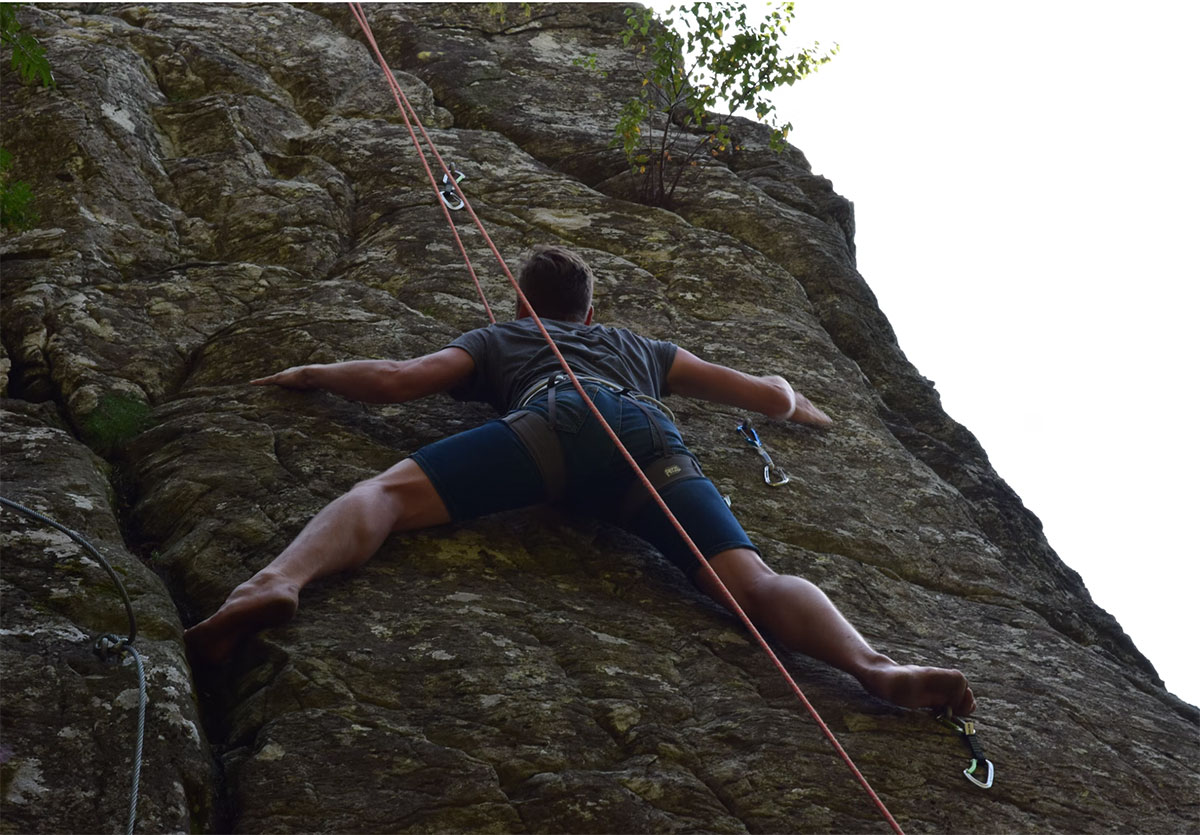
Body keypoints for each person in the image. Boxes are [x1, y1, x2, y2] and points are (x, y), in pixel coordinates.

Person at [185, 245, 975, 716]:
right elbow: (766, 394)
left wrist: (308, 369)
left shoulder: (502, 335)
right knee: (754, 581)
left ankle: (276, 579)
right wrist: (803, 405)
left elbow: (398, 380)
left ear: (522, 303)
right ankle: (876, 666)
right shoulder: (637, 346)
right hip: (648, 441)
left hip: (554, 426)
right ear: (590, 315)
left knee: (385, 496)